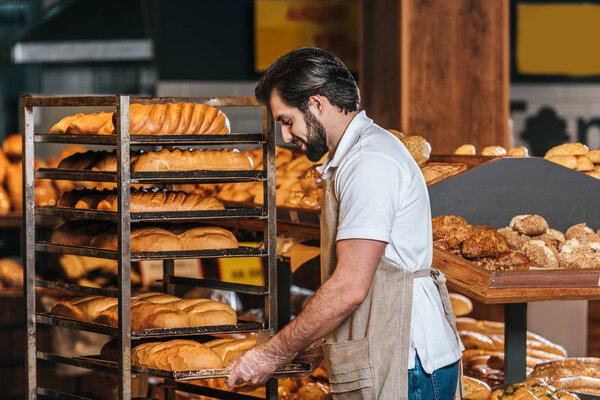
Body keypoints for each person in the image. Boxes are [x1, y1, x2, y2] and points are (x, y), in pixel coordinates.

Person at [226, 47, 464, 399]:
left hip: (408, 364)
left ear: (317, 104)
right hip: (395, 355)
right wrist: (316, 339)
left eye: (287, 121)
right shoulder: (355, 157)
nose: (287, 137)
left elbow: (350, 287)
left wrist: (275, 352)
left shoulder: (368, 162)